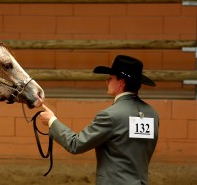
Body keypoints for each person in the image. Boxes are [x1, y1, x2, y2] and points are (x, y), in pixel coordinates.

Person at [40, 55, 159, 185]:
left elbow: (76, 144)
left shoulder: (110, 115)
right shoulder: (152, 114)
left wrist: (52, 121)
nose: (107, 82)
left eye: (110, 78)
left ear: (121, 82)